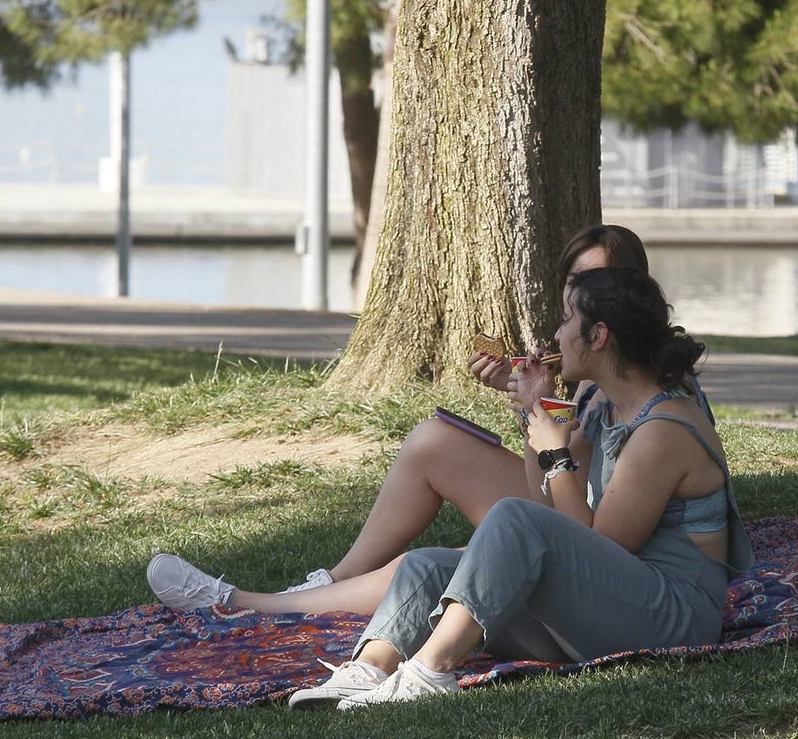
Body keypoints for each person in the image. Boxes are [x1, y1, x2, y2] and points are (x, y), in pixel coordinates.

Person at [284, 267, 753, 709]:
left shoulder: (662, 429)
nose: (556, 334)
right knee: (428, 565)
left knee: (512, 516)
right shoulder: (609, 408)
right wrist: (535, 416)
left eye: (568, 318)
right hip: (616, 603)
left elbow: (601, 543)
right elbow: (546, 500)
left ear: (599, 336)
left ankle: (431, 671)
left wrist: (556, 452)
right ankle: (370, 669)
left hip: (673, 618)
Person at [147, 226, 662, 617]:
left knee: (427, 565)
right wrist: (533, 405)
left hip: (600, 547)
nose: (574, 304)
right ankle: (329, 581)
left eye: (595, 287)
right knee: (433, 441)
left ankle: (244, 605)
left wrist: (548, 431)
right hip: (577, 514)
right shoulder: (600, 385)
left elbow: (586, 508)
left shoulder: (659, 408)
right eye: (574, 285)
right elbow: (560, 477)